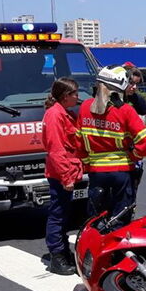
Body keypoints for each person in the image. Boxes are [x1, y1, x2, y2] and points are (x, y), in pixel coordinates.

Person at [76, 65, 146, 224]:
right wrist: (133, 156)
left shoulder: (84, 107)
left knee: (96, 217)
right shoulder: (125, 110)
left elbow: (79, 141)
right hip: (121, 172)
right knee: (120, 217)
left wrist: (88, 164)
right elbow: (143, 138)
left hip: (96, 173)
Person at [41, 77, 83, 275]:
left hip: (67, 172)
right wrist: (66, 177)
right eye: (75, 94)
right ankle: (57, 256)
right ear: (66, 96)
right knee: (58, 216)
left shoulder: (65, 113)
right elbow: (56, 150)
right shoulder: (54, 115)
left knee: (64, 215)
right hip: (60, 174)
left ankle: (63, 251)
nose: (78, 97)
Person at [125, 67, 146, 192]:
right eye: (131, 83)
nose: (134, 87)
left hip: (132, 151)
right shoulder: (113, 97)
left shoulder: (135, 99)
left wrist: (143, 134)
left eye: (136, 84)